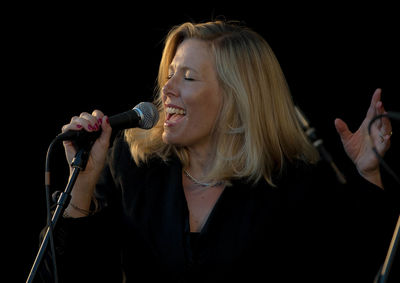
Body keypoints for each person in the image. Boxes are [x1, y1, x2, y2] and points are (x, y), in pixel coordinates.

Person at [39, 20, 398, 282]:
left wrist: (368, 173)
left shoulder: (292, 182)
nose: (167, 89)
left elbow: (360, 261)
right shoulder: (132, 168)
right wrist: (80, 188)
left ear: (237, 99)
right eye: (171, 73)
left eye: (188, 77)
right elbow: (66, 277)